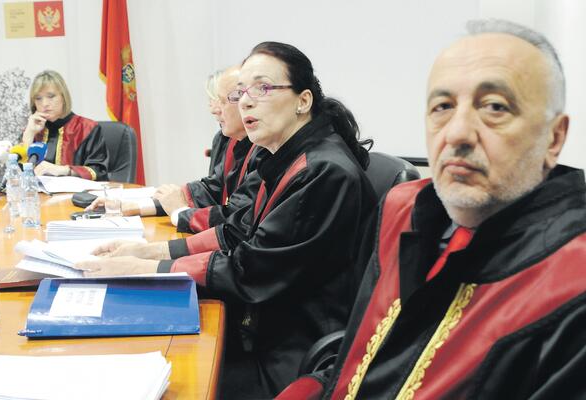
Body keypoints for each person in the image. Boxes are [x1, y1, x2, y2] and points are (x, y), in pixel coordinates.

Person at [276, 19, 586, 400]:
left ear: (554, 137)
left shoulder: (572, 281)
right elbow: (357, 359)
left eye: (494, 107)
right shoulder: (403, 209)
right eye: (442, 106)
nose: (456, 133)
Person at [76, 42, 377, 398]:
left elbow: (250, 269)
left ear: (303, 101)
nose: (245, 102)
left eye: (262, 88)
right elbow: (236, 232)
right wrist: (148, 252)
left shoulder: (322, 171)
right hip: (258, 325)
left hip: (292, 354)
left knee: (166, 378)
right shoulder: (285, 158)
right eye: (242, 91)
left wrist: (149, 269)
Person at [88, 66, 265, 234]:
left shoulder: (263, 150)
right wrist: (138, 206)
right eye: (214, 99)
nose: (214, 109)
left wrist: (180, 213)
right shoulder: (233, 141)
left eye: (223, 100)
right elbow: (212, 189)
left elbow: (238, 220)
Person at [22, 70, 109, 181]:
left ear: (63, 97)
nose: (44, 104)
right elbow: (18, 176)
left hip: (77, 191)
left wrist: (65, 170)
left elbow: (99, 171)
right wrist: (29, 135)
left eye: (51, 96)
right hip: (39, 191)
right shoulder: (34, 129)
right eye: (38, 98)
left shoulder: (87, 128)